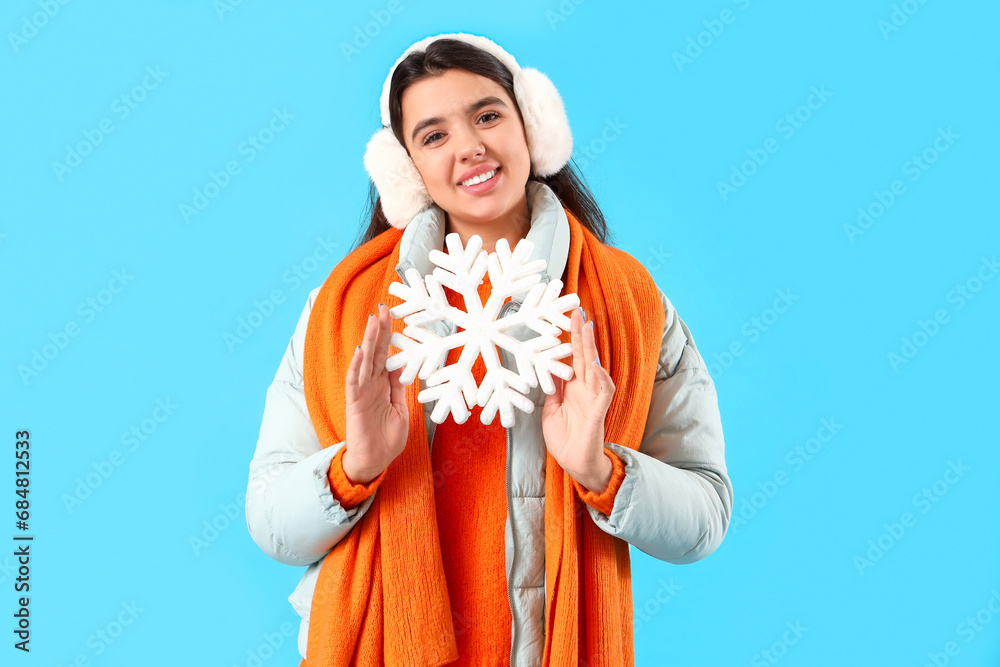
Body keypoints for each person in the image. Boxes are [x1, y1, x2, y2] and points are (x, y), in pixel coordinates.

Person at [245, 32, 733, 666]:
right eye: (434, 135)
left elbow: (705, 517)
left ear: (532, 125)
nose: (470, 146)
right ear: (409, 169)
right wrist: (353, 468)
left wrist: (600, 469)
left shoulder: (629, 303)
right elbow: (270, 521)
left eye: (486, 115)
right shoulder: (341, 313)